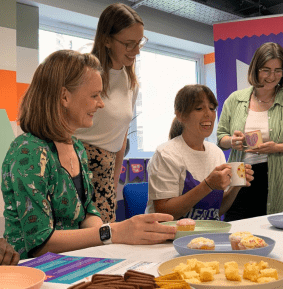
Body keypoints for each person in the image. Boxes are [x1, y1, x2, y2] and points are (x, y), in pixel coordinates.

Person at [1, 50, 176, 260]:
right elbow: (41, 243)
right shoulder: (28, 152)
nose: (101, 104)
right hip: (34, 270)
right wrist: (113, 232)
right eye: (94, 95)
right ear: (64, 96)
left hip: (74, 261)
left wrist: (109, 237)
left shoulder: (77, 146)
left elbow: (88, 211)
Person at [216, 42, 283, 221]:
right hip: (240, 176)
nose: (272, 76)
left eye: (278, 70)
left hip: (281, 180)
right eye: (266, 70)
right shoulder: (235, 100)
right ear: (255, 69)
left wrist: (276, 147)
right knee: (237, 234)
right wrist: (232, 141)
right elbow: (221, 137)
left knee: (280, 233)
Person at [74, 3, 147, 223]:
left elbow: (121, 137)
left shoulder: (131, 83)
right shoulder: (84, 72)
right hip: (74, 165)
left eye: (139, 43)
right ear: (106, 39)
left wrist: (114, 181)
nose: (136, 51)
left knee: (103, 239)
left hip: (106, 169)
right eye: (128, 44)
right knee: (74, 240)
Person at [145, 84, 254, 220]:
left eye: (212, 108)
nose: (208, 114)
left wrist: (236, 187)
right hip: (169, 237)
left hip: (205, 236)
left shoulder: (216, 152)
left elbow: (216, 211)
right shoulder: (166, 154)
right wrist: (208, 185)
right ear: (180, 115)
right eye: (199, 108)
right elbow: (164, 213)